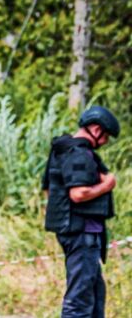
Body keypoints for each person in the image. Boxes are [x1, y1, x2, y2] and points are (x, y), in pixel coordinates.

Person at [43, 106, 120, 317]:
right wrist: (107, 185)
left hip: (75, 230)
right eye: (106, 136)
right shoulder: (79, 154)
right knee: (80, 300)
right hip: (82, 232)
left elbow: (49, 190)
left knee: (94, 294)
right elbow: (78, 193)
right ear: (96, 129)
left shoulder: (61, 150)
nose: (105, 142)